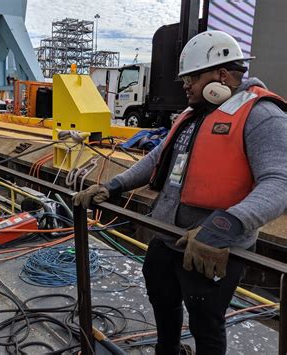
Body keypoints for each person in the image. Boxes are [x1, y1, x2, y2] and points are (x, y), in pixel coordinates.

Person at [74, 30, 287, 355]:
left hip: (213, 247)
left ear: (222, 75)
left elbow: (279, 183)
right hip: (168, 234)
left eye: (192, 77)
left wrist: (224, 226)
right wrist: (111, 185)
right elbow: (156, 159)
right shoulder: (191, 116)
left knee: (206, 321)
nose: (184, 84)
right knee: (161, 295)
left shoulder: (262, 116)